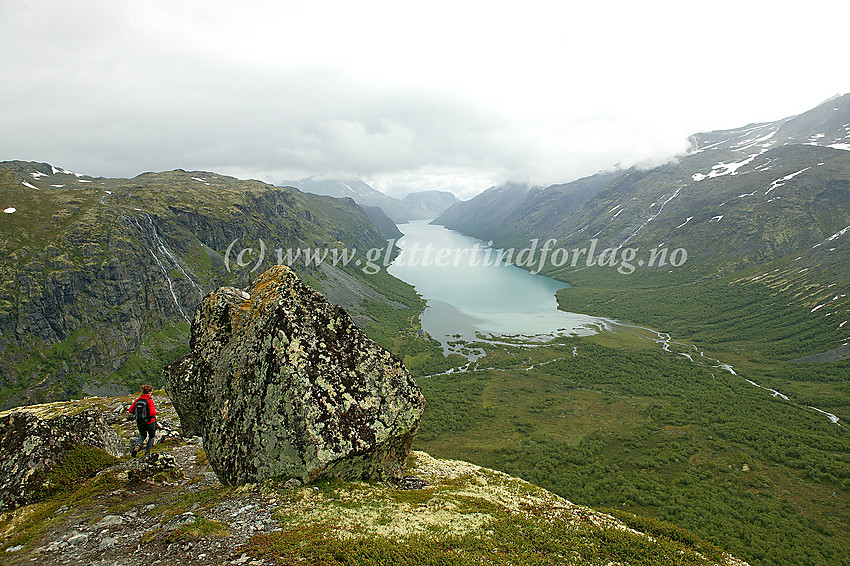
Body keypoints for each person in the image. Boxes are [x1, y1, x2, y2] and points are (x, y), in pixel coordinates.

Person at [129, 384, 157, 457]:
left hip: (140, 422)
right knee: (151, 436)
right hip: (149, 422)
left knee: (142, 435)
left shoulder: (138, 400)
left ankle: (137, 446)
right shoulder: (149, 401)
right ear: (150, 392)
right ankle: (147, 453)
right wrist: (155, 413)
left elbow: (131, 410)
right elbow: (152, 413)